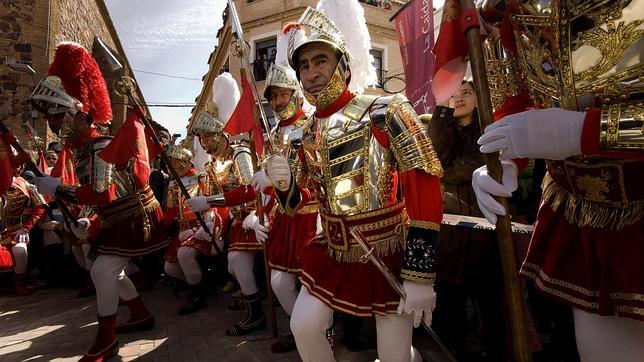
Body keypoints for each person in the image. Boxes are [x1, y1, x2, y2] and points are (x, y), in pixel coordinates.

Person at [263, 4, 444, 361]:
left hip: (386, 248)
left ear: (342, 65)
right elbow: (297, 204)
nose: (312, 72)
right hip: (330, 247)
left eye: (320, 60)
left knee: (393, 355)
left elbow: (423, 184)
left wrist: (420, 273)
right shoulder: (303, 135)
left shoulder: (386, 109)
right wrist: (284, 187)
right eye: (303, 65)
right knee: (303, 326)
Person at [471, 1, 644, 360]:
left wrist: (585, 131)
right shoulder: (511, 6)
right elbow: (519, 92)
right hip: (581, 212)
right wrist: (505, 156)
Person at [30, 42, 167, 361]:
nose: (53, 124)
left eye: (57, 115)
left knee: (103, 271)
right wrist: (86, 218)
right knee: (100, 266)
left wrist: (58, 188)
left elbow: (104, 192)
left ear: (76, 114)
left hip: (134, 215)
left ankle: (106, 338)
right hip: (116, 214)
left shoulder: (99, 146)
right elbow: (98, 195)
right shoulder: (82, 148)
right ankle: (140, 314)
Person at [250, 25, 319, 353]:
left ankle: (319, 335)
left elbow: (317, 173)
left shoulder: (314, 123)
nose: (277, 102)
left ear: (295, 93)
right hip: (284, 216)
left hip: (313, 214)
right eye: (273, 96)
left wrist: (279, 179)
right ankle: (299, 330)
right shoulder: (274, 133)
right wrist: (256, 215)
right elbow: (264, 179)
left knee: (313, 284)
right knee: (279, 282)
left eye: (281, 94)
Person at [427, 80, 506, 360]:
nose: (458, 97)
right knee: (449, 315)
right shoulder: (442, 128)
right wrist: (442, 113)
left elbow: (474, 166)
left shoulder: (489, 131)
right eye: (454, 93)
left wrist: (443, 172)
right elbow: (433, 160)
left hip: (486, 237)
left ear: (479, 97)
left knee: (494, 314)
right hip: (449, 240)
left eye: (467, 92)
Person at [185, 72, 266, 336]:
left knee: (239, 262)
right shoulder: (212, 165)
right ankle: (252, 300)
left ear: (221, 134)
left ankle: (256, 314)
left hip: (259, 216)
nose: (206, 142)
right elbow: (212, 198)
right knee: (234, 265)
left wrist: (208, 200)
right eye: (202, 139)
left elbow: (248, 190)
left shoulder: (239, 152)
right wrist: (207, 212)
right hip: (237, 222)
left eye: (209, 136)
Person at [162, 141, 222, 315]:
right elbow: (171, 212)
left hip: (203, 228)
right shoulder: (174, 185)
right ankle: (200, 284)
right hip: (183, 231)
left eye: (175, 161)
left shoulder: (201, 178)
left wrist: (210, 222)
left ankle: (197, 295)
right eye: (171, 161)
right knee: (169, 268)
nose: (172, 164)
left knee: (185, 254)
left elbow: (213, 201)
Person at [0, 171, 46, 295]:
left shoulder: (25, 183)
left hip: (15, 228)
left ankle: (20, 283)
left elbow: (41, 206)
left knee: (20, 252)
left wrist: (26, 228)